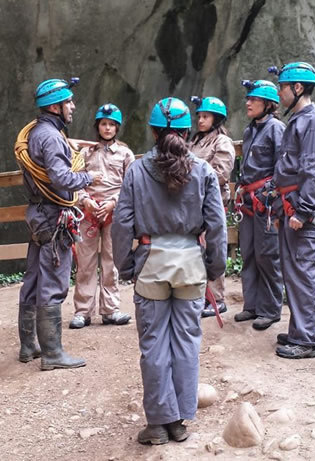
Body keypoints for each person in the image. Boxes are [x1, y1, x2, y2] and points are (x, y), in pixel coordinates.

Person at [112, 97, 227, 446]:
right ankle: (178, 422)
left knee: (154, 345)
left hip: (151, 265)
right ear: (187, 130)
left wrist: (126, 264)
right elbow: (217, 226)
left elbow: (121, 224)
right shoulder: (204, 171)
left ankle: (158, 424)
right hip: (191, 264)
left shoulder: (136, 170)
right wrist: (213, 268)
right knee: (187, 343)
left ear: (152, 131)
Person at [14, 76, 103, 370]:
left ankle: (29, 346)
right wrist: (90, 177)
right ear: (55, 106)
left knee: (34, 279)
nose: (73, 106)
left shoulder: (37, 134)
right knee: (53, 280)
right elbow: (62, 179)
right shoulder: (51, 137)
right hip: (53, 217)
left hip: (38, 215)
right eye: (68, 102)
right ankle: (52, 354)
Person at [269, 61, 315, 359]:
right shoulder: (299, 119)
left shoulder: (314, 122)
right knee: (295, 272)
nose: (279, 92)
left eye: (282, 86)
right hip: (289, 205)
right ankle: (301, 331)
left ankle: (309, 340)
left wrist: (303, 211)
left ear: (297, 88)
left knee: (305, 272)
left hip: (300, 210)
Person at [70, 104, 135, 329]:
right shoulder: (85, 153)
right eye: (104, 124)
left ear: (117, 127)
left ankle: (111, 309)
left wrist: (113, 203)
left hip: (113, 212)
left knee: (111, 262)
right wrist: (85, 200)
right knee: (85, 263)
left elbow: (130, 185)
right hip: (88, 212)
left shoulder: (126, 154)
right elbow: (75, 180)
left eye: (111, 124)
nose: (107, 128)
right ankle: (82, 311)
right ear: (97, 126)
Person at [233, 79, 286, 331]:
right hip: (248, 200)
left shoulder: (276, 129)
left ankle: (270, 309)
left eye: (253, 99)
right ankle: (251, 305)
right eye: (248, 99)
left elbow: (282, 166)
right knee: (249, 252)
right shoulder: (249, 131)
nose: (248, 103)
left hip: (266, 202)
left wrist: (271, 194)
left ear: (268, 104)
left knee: (268, 254)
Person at [188, 96, 235, 318]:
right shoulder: (195, 141)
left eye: (205, 116)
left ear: (216, 119)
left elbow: (221, 175)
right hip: (194, 203)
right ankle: (200, 295)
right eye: (199, 116)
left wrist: (192, 182)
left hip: (212, 203)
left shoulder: (222, 142)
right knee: (197, 249)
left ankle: (216, 298)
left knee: (212, 247)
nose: (200, 120)